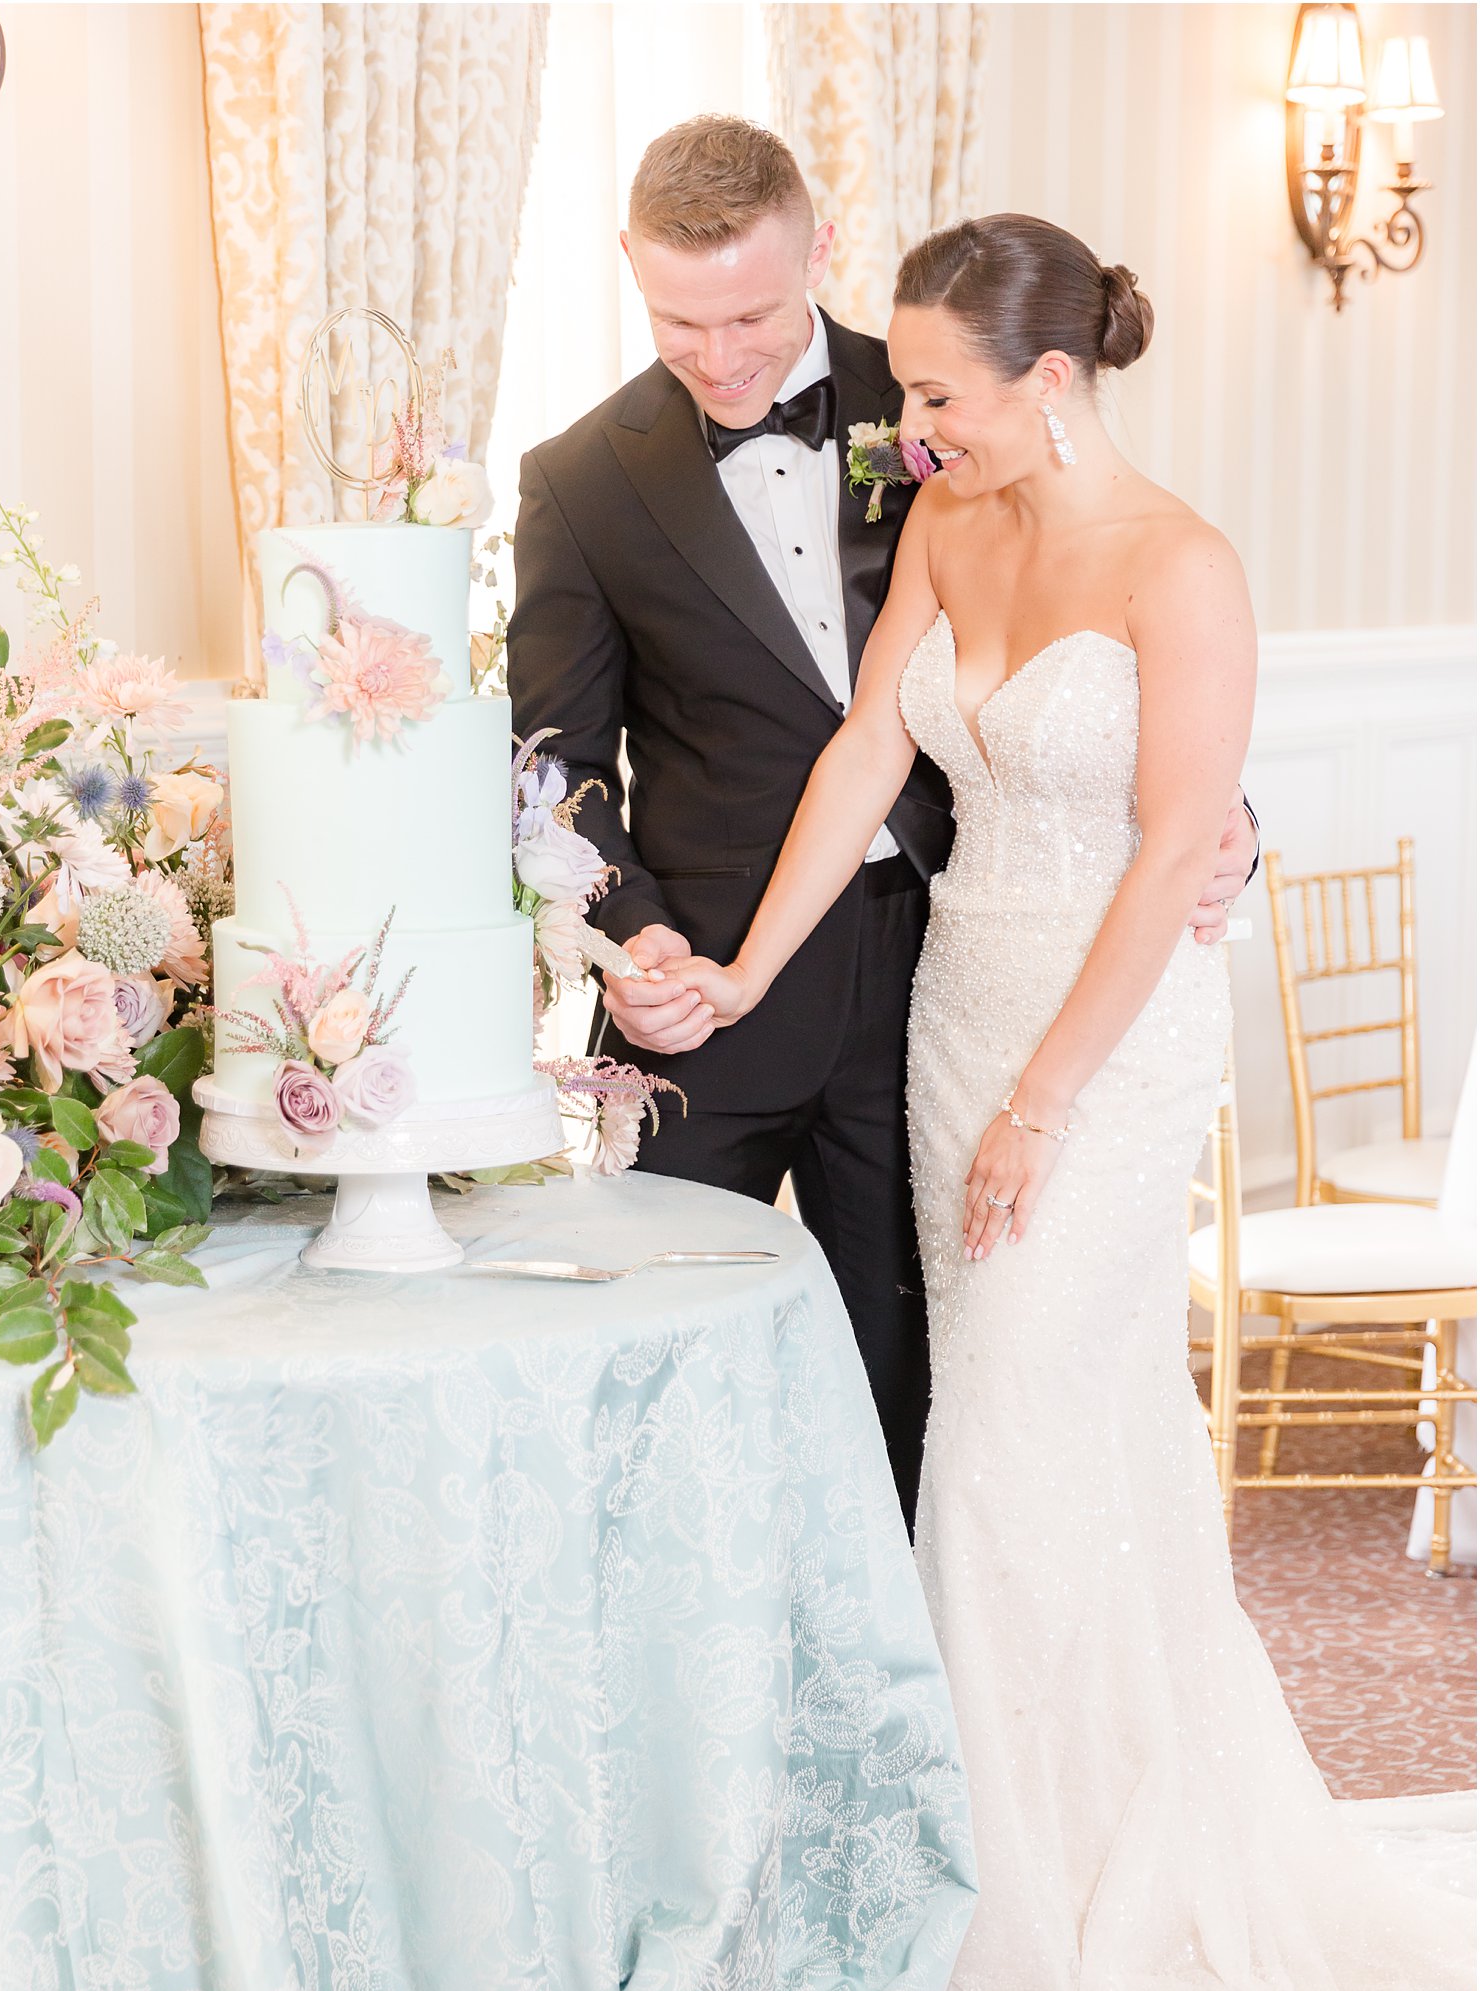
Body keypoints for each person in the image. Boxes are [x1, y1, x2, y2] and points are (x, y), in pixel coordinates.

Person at [672, 213, 1475, 1991]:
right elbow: (870, 751)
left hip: (1103, 1053)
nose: (907, 421)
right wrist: (744, 974)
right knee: (1073, 1442)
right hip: (963, 1005)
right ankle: (1063, 1821)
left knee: (1015, 1438)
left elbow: (1167, 856)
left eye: (936, 389)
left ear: (1048, 381)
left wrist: (1042, 1102)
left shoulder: (1182, 565)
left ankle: (1016, 1887)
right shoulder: (952, 524)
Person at [507, 118, 1257, 1529]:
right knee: (647, 1369)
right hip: (715, 987)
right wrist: (642, 937)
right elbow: (549, 760)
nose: (724, 359)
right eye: (679, 320)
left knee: (936, 1387)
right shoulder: (581, 479)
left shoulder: (940, 391)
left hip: (947, 972)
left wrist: (1225, 824)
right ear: (625, 267)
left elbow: (1116, 656)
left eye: (752, 315)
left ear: (818, 253)